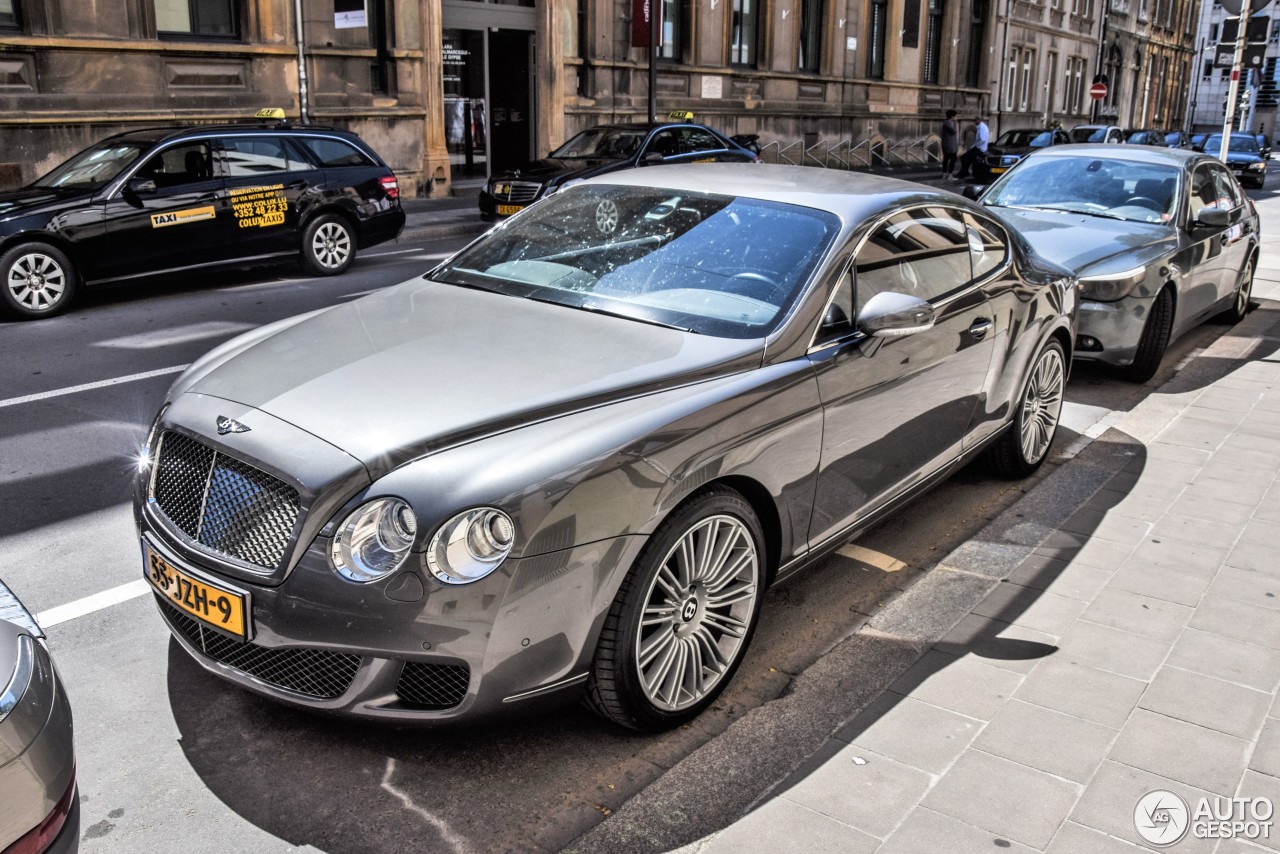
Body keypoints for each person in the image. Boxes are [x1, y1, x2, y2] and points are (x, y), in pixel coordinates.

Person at [954, 115, 990, 180]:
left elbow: (982, 139)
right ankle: (964, 171)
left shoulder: (981, 127)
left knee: (965, 158)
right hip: (979, 147)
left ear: (978, 120)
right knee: (965, 157)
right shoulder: (982, 127)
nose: (974, 122)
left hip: (980, 148)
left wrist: (977, 146)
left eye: (975, 121)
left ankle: (964, 172)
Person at [940, 110, 959, 177]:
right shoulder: (948, 123)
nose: (956, 118)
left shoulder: (947, 123)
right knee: (952, 159)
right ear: (952, 116)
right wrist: (956, 123)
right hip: (949, 145)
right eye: (955, 116)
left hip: (949, 145)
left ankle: (945, 173)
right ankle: (949, 173)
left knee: (947, 159)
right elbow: (954, 131)